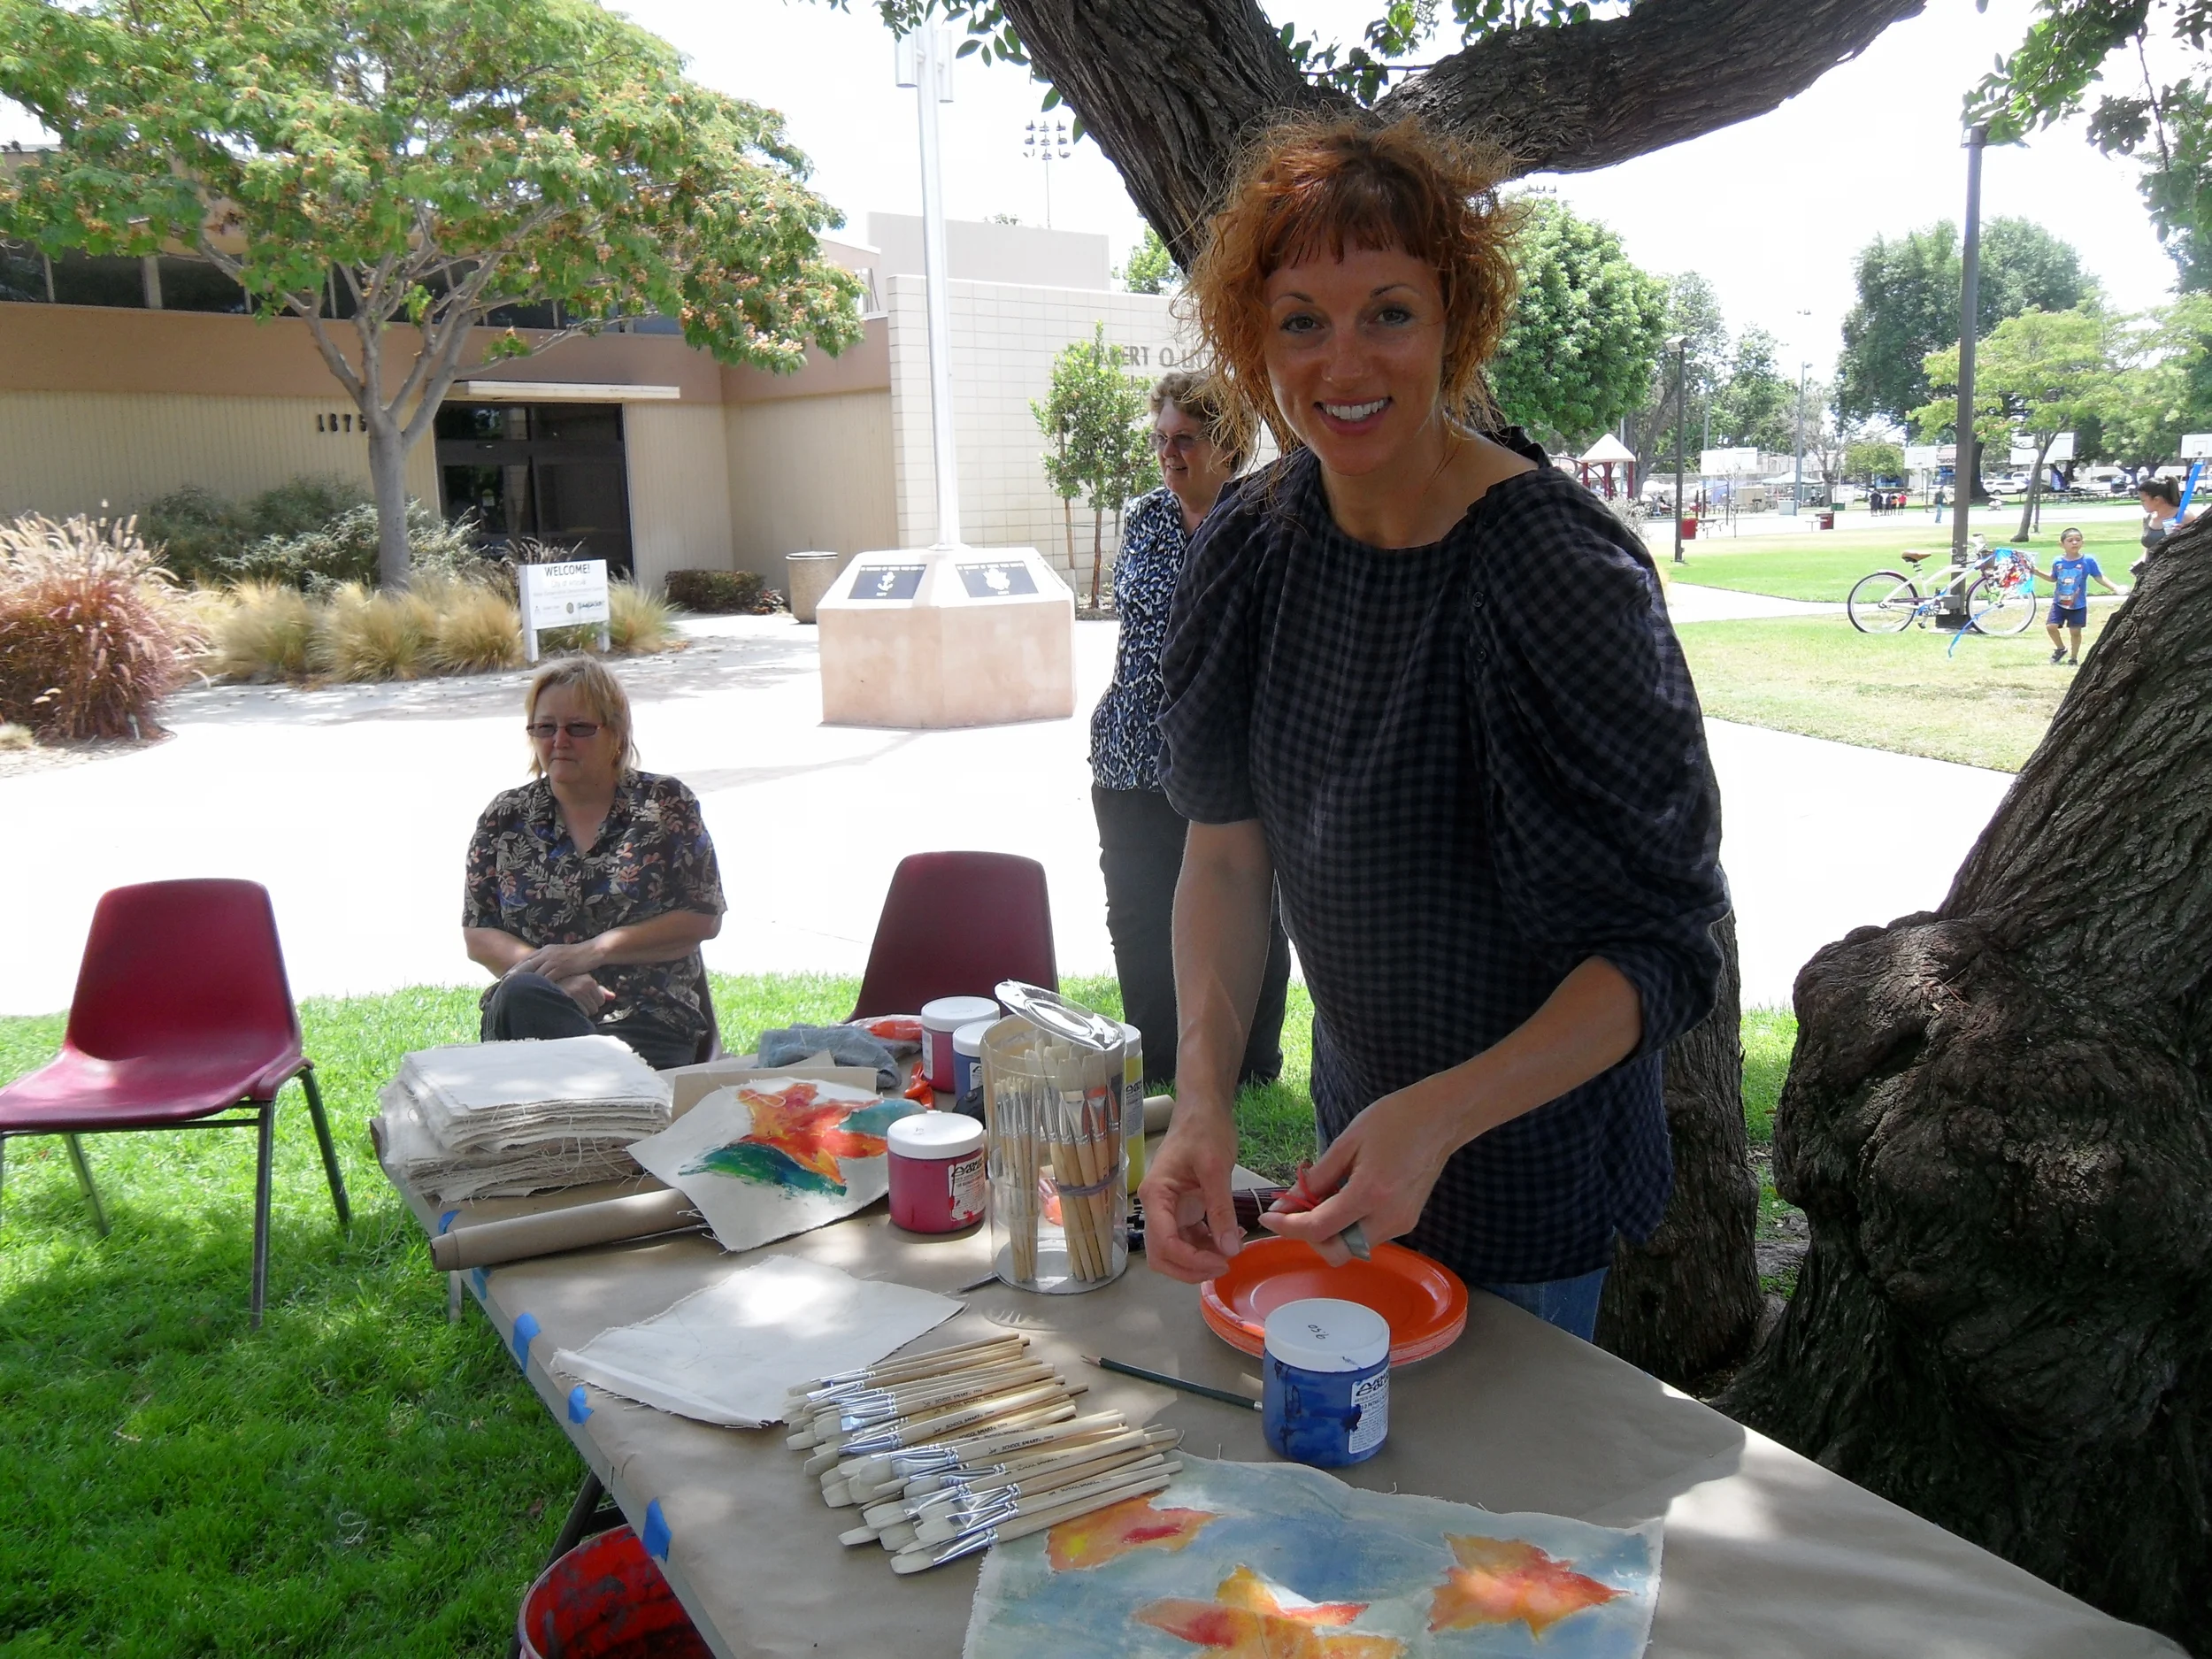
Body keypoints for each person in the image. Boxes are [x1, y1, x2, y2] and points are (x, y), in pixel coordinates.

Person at [1138, 118, 1728, 1342]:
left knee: (1485, 1523)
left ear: (1455, 318)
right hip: (1354, 1144)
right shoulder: (1249, 546)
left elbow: (1665, 949)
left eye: (1388, 311)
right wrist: (1202, 1100)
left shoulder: (1562, 574)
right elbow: (1227, 855)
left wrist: (1441, 1116)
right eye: (1301, 317)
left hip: (1528, 1183)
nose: (1343, 359)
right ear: (1257, 341)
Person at [1090, 370, 1292, 1087]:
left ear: (1227, 443)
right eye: (1161, 440)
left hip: (1226, 765)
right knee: (1139, 916)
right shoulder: (1145, 517)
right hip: (1129, 757)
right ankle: (1160, 1060)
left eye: (1186, 440)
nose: (1170, 454)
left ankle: (1250, 1066)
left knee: (1244, 914)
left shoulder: (1266, 519)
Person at [462, 656, 725, 1070]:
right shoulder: (505, 816)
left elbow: (701, 919)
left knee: (584, 1062)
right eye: (545, 728)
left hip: (646, 1019)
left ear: (616, 733)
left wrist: (592, 953)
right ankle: (615, 1091)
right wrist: (556, 976)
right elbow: (479, 934)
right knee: (520, 995)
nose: (559, 741)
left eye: (579, 727)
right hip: (535, 1018)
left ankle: (611, 1091)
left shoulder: (665, 804)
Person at [2032, 526, 2118, 665]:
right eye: (2070, 540)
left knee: (2075, 631)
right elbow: (2053, 578)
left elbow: (2098, 577)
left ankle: (2073, 657)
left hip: (2078, 604)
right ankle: (2060, 649)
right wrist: (2037, 572)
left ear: (2082, 543)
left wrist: (2114, 587)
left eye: (2078, 540)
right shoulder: (2057, 561)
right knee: (2051, 626)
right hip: (2059, 602)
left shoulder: (2088, 561)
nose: (2074, 543)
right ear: (2062, 544)